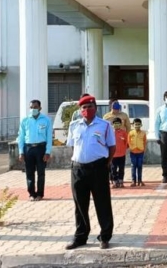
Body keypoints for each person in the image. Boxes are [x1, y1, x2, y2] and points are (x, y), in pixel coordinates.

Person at [65, 94, 116, 250]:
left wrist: (105, 164)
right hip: (78, 169)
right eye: (84, 108)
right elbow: (73, 146)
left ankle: (105, 236)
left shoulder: (105, 125)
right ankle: (81, 236)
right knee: (80, 204)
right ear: (80, 110)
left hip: (98, 168)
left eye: (90, 107)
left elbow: (112, 147)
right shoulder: (74, 125)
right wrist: (78, 160)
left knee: (102, 203)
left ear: (95, 108)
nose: (87, 110)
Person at [17, 99, 53, 201]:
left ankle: (40, 194)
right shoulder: (25, 120)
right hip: (28, 148)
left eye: (35, 107)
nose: (33, 109)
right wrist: (21, 152)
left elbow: (49, 137)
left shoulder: (46, 120)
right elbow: (21, 137)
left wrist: (47, 152)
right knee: (29, 172)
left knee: (41, 173)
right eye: (31, 107)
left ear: (40, 108)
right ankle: (31, 194)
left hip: (41, 148)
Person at [110, 118, 129, 188]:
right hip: (113, 155)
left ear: (121, 124)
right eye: (115, 124)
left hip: (122, 154)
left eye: (118, 123)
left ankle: (121, 181)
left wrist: (124, 149)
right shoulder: (111, 132)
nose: (116, 125)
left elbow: (127, 143)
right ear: (113, 124)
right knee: (113, 169)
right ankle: (115, 182)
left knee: (121, 168)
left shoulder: (124, 132)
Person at [128, 118, 146, 187]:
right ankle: (133, 181)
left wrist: (143, 149)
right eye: (136, 124)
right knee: (133, 166)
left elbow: (144, 142)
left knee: (139, 166)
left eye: (138, 124)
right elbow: (128, 141)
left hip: (140, 152)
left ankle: (140, 180)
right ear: (133, 125)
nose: (137, 126)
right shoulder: (131, 133)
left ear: (141, 125)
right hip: (133, 152)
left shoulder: (143, 133)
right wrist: (131, 148)